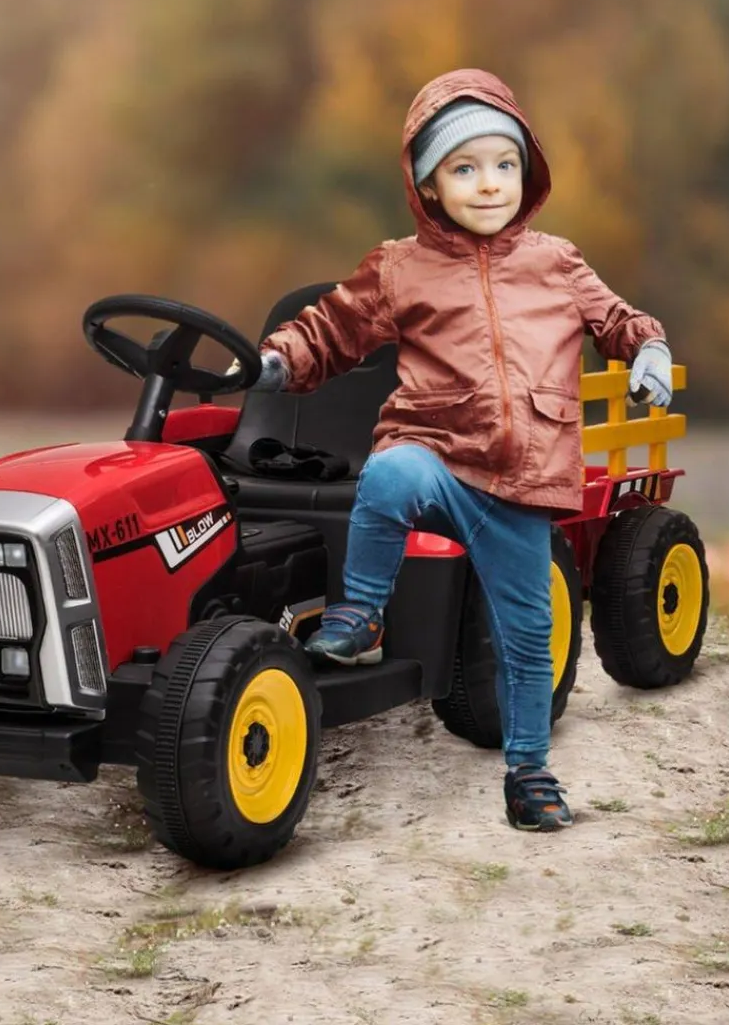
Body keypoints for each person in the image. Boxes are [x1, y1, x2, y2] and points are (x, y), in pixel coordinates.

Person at [245, 69, 672, 830]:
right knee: (390, 474)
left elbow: (617, 319)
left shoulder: (556, 262)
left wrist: (644, 348)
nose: (488, 185)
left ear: (527, 172)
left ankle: (530, 771)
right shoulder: (399, 267)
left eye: (504, 165)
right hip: (440, 454)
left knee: (528, 636)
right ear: (428, 185)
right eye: (464, 169)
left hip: (526, 481)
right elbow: (330, 331)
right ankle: (363, 617)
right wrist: (280, 358)